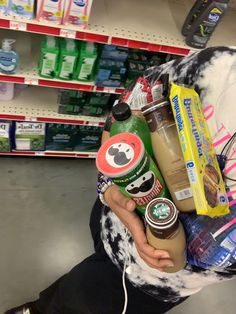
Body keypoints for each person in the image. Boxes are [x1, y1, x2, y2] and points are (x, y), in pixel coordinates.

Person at [5, 46, 236, 314]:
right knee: (76, 284)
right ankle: (41, 307)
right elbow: (125, 111)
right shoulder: (222, 70)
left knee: (83, 300)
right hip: (111, 220)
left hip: (151, 282)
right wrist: (109, 188)